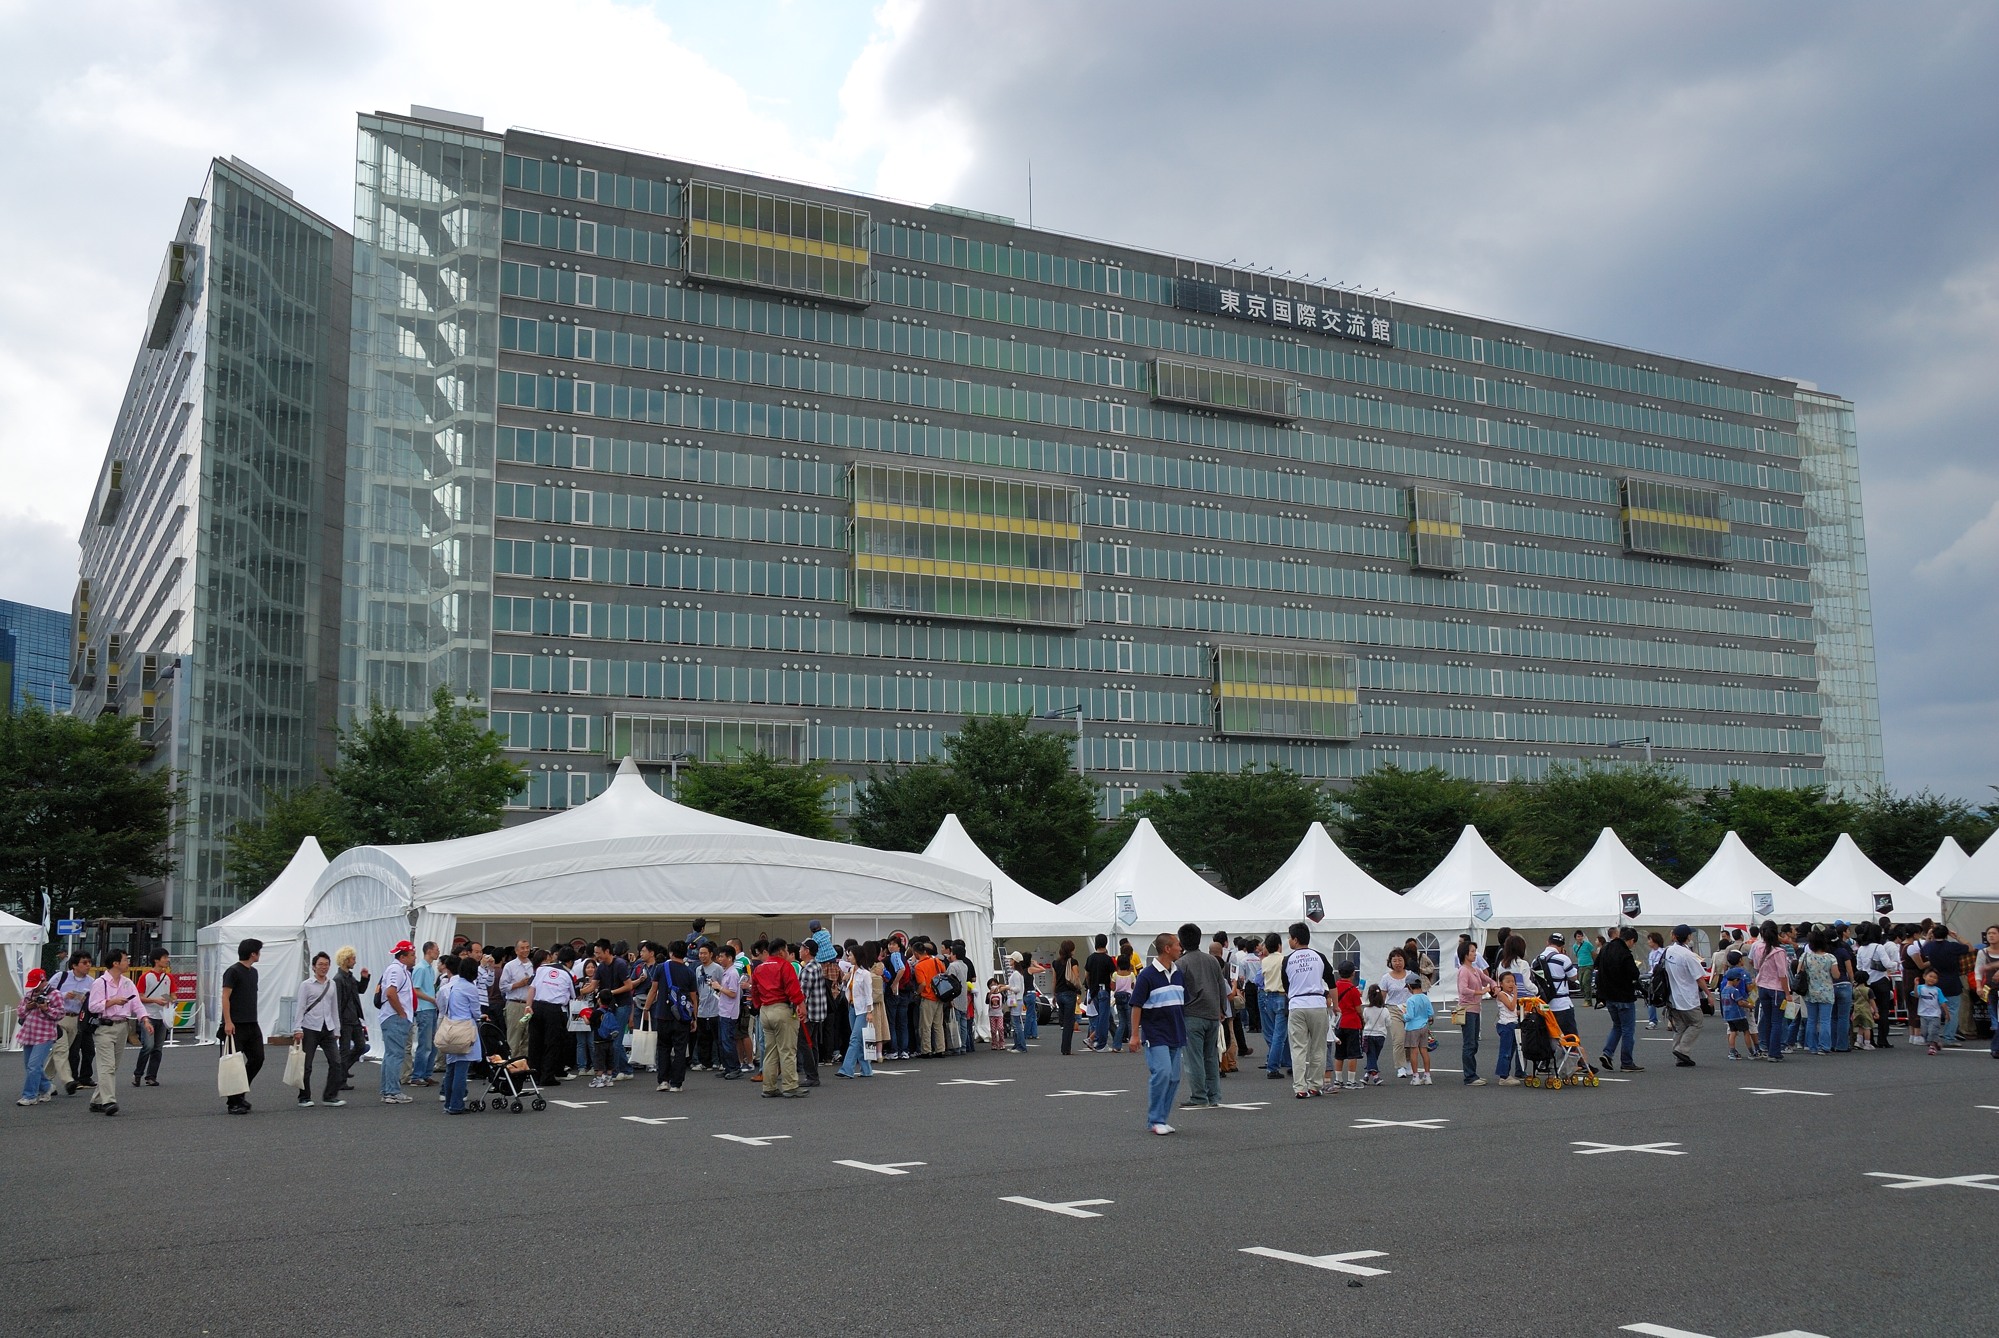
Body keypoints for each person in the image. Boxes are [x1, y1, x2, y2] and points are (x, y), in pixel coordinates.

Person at [1128, 930, 1187, 1134]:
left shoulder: (1178, 973)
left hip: (1176, 1032)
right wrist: (1135, 1035)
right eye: (1177, 945)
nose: (1180, 948)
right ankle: (1155, 1120)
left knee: (1174, 1077)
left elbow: (1182, 1003)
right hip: (1156, 1033)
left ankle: (1162, 1118)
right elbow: (1136, 1005)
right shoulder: (1147, 975)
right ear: (1167, 948)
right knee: (1162, 1073)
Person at [83, 949, 149, 1115]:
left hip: (123, 1026)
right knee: (107, 1066)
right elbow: (93, 1006)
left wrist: (145, 1019)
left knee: (114, 1066)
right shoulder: (100, 983)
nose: (128, 962)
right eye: (125, 960)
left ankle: (97, 1100)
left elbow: (137, 1004)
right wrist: (112, 1002)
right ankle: (109, 1101)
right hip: (104, 1028)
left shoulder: (128, 983)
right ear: (115, 963)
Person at [1176, 923, 1227, 1109]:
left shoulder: (1180, 964)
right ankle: (1214, 1095)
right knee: (1211, 1056)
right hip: (1212, 1013)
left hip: (1191, 1014)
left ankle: (1199, 1096)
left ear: (1181, 942)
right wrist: (1222, 1009)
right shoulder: (1212, 960)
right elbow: (1221, 985)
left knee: (1194, 1058)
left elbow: (1178, 991)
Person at [1281, 922, 1333, 1099]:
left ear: (1295, 940)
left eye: (1289, 938)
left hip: (1297, 1004)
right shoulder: (1319, 957)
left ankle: (1300, 1087)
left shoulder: (1288, 960)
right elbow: (1331, 982)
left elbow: (1286, 986)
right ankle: (1315, 1085)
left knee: (1298, 1048)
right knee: (1318, 1047)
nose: (1289, 941)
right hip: (1317, 1004)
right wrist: (1336, 1004)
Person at [640, 940, 699, 1092]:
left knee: (663, 1048)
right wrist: (694, 1018)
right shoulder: (689, 972)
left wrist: (646, 1008)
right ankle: (676, 1083)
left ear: (671, 953)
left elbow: (653, 990)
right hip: (682, 1017)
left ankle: (663, 1081)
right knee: (680, 1050)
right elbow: (693, 998)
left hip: (663, 1014)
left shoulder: (661, 968)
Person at [752, 939, 807, 1098]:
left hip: (765, 1010)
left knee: (770, 1051)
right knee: (787, 1050)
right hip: (782, 1009)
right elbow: (793, 988)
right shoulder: (785, 966)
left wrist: (759, 1005)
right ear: (782, 951)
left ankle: (769, 1086)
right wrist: (801, 1004)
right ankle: (790, 1086)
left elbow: (755, 991)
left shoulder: (759, 968)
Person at [295, 951, 346, 1108]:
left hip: (327, 1027)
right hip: (309, 1027)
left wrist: (337, 1029)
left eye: (326, 964)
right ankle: (304, 1097)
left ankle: (330, 1096)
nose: (324, 967)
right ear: (313, 967)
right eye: (320, 964)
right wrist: (297, 1028)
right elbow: (300, 1007)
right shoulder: (306, 985)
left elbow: (334, 1008)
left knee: (336, 1062)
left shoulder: (332, 984)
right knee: (306, 1065)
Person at [219, 939, 264, 1114]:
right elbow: (225, 997)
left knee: (258, 1058)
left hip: (252, 1022)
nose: (260, 954)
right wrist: (228, 1021)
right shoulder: (233, 971)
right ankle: (234, 1102)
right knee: (234, 1064)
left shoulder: (254, 972)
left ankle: (240, 1093)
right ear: (253, 953)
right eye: (259, 951)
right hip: (235, 1024)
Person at [438, 955, 484, 1114]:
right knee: (461, 1069)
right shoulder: (470, 987)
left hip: (451, 1027)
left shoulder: (451, 985)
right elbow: (476, 1012)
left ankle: (449, 1103)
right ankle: (457, 1104)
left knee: (451, 1068)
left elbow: (442, 1007)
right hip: (465, 1028)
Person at [1660, 925, 1711, 1068]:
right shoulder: (1688, 955)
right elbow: (1699, 977)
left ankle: (1680, 1056)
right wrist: (1709, 995)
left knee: (1680, 1026)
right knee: (1696, 1022)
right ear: (1688, 937)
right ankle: (1682, 1050)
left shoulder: (1668, 951)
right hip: (1687, 997)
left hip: (1672, 996)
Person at [1910, 926, 1971, 1045]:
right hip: (1952, 981)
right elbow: (1970, 947)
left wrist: (1928, 937)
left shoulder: (1930, 946)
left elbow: (1922, 951)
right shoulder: (1952, 946)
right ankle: (1948, 1037)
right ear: (1946, 934)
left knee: (1933, 1010)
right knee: (1952, 1010)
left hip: (1934, 981)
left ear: (1933, 934)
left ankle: (1932, 1037)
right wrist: (1956, 936)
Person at [1594, 927, 1642, 1073]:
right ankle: (1626, 1062)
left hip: (1609, 996)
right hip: (1624, 996)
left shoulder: (1605, 948)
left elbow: (1597, 967)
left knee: (1617, 1026)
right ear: (1631, 940)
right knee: (1628, 1029)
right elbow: (1634, 973)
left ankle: (1607, 1053)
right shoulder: (1625, 953)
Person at [46, 952, 94, 1096]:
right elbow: (46, 993)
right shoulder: (61, 977)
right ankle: (68, 1080)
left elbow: (94, 1001)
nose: (88, 965)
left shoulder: (91, 982)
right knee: (62, 1050)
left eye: (89, 962)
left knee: (59, 1051)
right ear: (74, 965)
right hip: (59, 1017)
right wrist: (63, 995)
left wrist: (86, 1001)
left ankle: (44, 1080)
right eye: (84, 963)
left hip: (76, 1019)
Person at [529, 946, 576, 1087]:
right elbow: (574, 995)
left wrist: (528, 1006)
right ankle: (547, 1076)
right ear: (570, 962)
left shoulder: (542, 968)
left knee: (535, 1042)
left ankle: (534, 1074)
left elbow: (532, 988)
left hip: (537, 1006)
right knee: (552, 1043)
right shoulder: (569, 974)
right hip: (554, 1010)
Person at [377, 940, 417, 1103]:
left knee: (390, 1055)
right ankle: (392, 1091)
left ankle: (387, 1090)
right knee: (395, 1055)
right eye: (412, 955)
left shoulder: (400, 970)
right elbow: (390, 993)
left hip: (392, 1017)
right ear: (402, 957)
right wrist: (401, 1012)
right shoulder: (396, 970)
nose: (414, 958)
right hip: (395, 1018)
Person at [15, 969, 62, 1105]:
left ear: (43, 980)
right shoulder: (30, 994)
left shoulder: (55, 994)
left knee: (33, 1065)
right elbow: (20, 1012)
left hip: (45, 1035)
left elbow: (60, 1014)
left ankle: (29, 1096)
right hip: (29, 1033)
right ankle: (46, 1087)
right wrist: (28, 1007)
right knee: (30, 1066)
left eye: (36, 984)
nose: (34, 987)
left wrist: (46, 1008)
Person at [1749, 921, 1791, 1063]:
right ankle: (1775, 1052)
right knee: (1777, 1021)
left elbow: (1756, 966)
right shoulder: (1779, 951)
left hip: (1762, 986)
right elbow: (1782, 974)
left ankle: (1766, 1046)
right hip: (1777, 989)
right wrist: (1787, 993)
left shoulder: (1757, 947)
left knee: (1767, 1019)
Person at [1455, 940, 1493, 1087]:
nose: (1475, 954)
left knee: (1474, 1043)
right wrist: (1481, 992)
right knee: (1469, 1043)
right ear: (1465, 954)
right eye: (1472, 951)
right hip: (1468, 1010)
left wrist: (1495, 985)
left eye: (1475, 951)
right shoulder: (1463, 970)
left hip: (1475, 1009)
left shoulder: (1475, 970)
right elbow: (1463, 989)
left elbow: (1487, 979)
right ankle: (1469, 1076)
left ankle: (1472, 1074)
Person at [837, 942, 878, 1078]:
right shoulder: (851, 971)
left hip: (862, 1010)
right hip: (852, 1008)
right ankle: (866, 1069)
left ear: (857, 956)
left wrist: (869, 1011)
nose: (848, 957)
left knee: (854, 1039)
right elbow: (847, 990)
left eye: (850, 955)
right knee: (858, 1040)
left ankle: (847, 1069)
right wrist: (845, 980)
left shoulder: (865, 974)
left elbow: (868, 994)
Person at [134, 949, 173, 1088]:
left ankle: (151, 1076)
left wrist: (169, 1000)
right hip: (148, 1015)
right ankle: (138, 1074)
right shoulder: (145, 977)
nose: (167, 960)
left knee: (158, 1048)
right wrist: (155, 1000)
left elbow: (173, 995)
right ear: (156, 960)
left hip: (163, 1016)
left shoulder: (168, 977)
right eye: (164, 957)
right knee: (148, 1046)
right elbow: (139, 996)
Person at [333, 947, 371, 1087]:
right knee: (344, 1050)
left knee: (361, 1046)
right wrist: (337, 1024)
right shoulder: (338, 979)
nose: (355, 961)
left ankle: (341, 1072)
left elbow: (360, 990)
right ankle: (341, 1078)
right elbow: (337, 1003)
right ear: (346, 960)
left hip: (354, 1019)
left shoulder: (350, 977)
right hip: (345, 1020)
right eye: (353, 959)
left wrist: (364, 978)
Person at [1535, 933, 1582, 1045]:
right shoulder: (1563, 959)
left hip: (1544, 1005)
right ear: (1562, 946)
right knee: (1570, 1040)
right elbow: (1573, 977)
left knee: (1548, 1041)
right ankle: (1573, 1056)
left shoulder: (1536, 960)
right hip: (1562, 1004)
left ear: (1547, 942)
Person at [1798, 929, 1837, 1056]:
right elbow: (1836, 975)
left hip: (1810, 991)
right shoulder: (1830, 957)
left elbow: (1799, 972)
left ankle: (1812, 1046)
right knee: (1825, 1020)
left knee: (1811, 1020)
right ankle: (1824, 1046)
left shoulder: (1805, 956)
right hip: (1826, 992)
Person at [408, 940, 441, 1088]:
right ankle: (418, 1075)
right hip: (424, 1009)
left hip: (430, 1008)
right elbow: (415, 990)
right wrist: (432, 999)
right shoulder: (421, 968)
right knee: (425, 1044)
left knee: (432, 1043)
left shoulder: (429, 968)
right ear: (429, 951)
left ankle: (426, 1073)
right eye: (436, 949)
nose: (438, 952)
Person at [1258, 930, 1290, 1081]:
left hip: (1268, 997)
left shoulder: (1264, 961)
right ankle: (1273, 1067)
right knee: (1280, 1035)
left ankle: (1279, 1062)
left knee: (1274, 1033)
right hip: (1282, 996)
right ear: (1279, 945)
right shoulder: (1284, 960)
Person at [1379, 949, 1414, 1077]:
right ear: (1390, 962)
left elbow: (1417, 993)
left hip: (1410, 1009)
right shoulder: (1386, 978)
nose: (1398, 963)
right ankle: (1400, 1066)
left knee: (1410, 1039)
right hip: (1393, 1009)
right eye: (1395, 960)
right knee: (1398, 1039)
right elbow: (1382, 997)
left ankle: (1409, 1062)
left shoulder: (1411, 976)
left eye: (1400, 960)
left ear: (1405, 961)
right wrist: (1380, 1012)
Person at [911, 941, 949, 1059]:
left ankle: (926, 1050)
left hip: (927, 997)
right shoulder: (936, 961)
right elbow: (944, 973)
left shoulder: (919, 966)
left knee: (925, 1025)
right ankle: (940, 1049)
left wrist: (917, 993)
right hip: (939, 996)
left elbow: (922, 983)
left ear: (916, 953)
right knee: (938, 1025)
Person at [498, 939, 534, 1058]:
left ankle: (524, 1063)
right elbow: (502, 987)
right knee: (514, 1036)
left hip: (529, 1005)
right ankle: (512, 1062)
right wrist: (519, 984)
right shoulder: (510, 966)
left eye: (527, 947)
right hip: (515, 1005)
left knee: (528, 1036)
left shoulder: (533, 965)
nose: (526, 950)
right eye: (522, 948)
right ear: (516, 950)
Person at [1332, 964, 1364, 1091]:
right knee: (1353, 1053)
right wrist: (1362, 1019)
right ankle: (1351, 1081)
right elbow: (1358, 1009)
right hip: (1352, 1023)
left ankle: (1338, 1079)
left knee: (1339, 1054)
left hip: (1339, 1022)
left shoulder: (1335, 986)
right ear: (1353, 973)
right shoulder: (1353, 989)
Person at [1828, 922, 1857, 1053]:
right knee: (1843, 1017)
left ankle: (1832, 1043)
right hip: (1844, 984)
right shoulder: (1843, 951)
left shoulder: (1826, 954)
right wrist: (1852, 983)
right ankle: (1842, 1045)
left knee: (1832, 1017)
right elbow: (1850, 971)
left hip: (1830, 985)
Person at [1052, 939, 1084, 1057]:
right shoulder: (1073, 962)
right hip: (1069, 993)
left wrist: (1054, 994)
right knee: (1069, 1022)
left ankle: (1064, 1047)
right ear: (1071, 950)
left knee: (1064, 1022)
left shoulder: (1055, 963)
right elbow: (1076, 976)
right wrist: (1078, 990)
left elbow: (1054, 980)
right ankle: (1066, 1048)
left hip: (1059, 994)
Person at [1718, 951, 1751, 1060]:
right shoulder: (1735, 991)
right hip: (1738, 1014)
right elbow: (1740, 1002)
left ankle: (1732, 1051)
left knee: (1733, 1032)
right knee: (1746, 1031)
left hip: (1728, 1015)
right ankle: (1752, 1051)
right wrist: (1750, 1006)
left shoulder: (1724, 990)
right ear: (1736, 980)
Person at [1402, 976, 1434, 1086]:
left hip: (1412, 1028)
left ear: (1409, 986)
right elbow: (1431, 1013)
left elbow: (1409, 1016)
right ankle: (1427, 1076)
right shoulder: (1425, 998)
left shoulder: (1410, 1000)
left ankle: (1415, 1076)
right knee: (1424, 1050)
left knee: (1414, 1051)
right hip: (1424, 1026)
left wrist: (1403, 1015)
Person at [1492, 972, 1522, 1084]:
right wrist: (1516, 994)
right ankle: (1503, 1077)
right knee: (1505, 1051)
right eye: (1508, 981)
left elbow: (1513, 1011)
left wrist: (1524, 1012)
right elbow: (1511, 1007)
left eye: (1513, 981)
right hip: (1506, 1025)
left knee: (1511, 1050)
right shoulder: (1502, 994)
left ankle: (1507, 1074)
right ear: (1501, 984)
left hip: (1513, 1023)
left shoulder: (1511, 995)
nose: (1511, 984)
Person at [1977, 927, 1999, 1060]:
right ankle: (1996, 1048)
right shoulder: (1983, 952)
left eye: (1994, 933)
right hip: (1991, 989)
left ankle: (1995, 1048)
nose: (1991, 936)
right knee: (1995, 1019)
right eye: (1989, 933)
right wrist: (1978, 986)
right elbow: (1978, 970)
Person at [1360, 985, 1389, 1086]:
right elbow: (1388, 1023)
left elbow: (1364, 1021)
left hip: (1368, 1034)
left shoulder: (1366, 1010)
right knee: (1374, 1055)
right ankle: (1374, 1076)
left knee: (1371, 1055)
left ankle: (1368, 1075)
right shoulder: (1385, 1010)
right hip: (1381, 1035)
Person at [1914, 969, 1944, 1054]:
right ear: (1924, 976)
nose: (1932, 979)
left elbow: (1942, 1001)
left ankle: (1932, 1047)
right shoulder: (1921, 988)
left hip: (1935, 1014)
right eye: (1930, 976)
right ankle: (1936, 1041)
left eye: (1935, 978)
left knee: (1932, 1031)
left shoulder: (1937, 990)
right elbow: (1916, 995)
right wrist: (1916, 985)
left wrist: (1947, 1013)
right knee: (1924, 1032)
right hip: (1923, 1013)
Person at [1644, 932, 1667, 1028]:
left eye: (1650, 940)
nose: (1648, 942)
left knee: (1667, 998)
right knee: (1650, 997)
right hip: (1652, 976)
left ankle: (1670, 1018)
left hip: (1661, 977)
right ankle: (1652, 1021)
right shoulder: (1651, 953)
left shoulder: (1663, 952)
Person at [1574, 930, 1597, 1006]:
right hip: (1580, 965)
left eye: (1581, 936)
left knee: (1586, 981)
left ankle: (1588, 1000)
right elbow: (1577, 955)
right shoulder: (1574, 946)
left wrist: (1595, 964)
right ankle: (1586, 997)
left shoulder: (1587, 944)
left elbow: (1593, 954)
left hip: (1589, 965)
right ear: (1575, 938)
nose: (1580, 938)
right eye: (1578, 936)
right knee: (1581, 983)